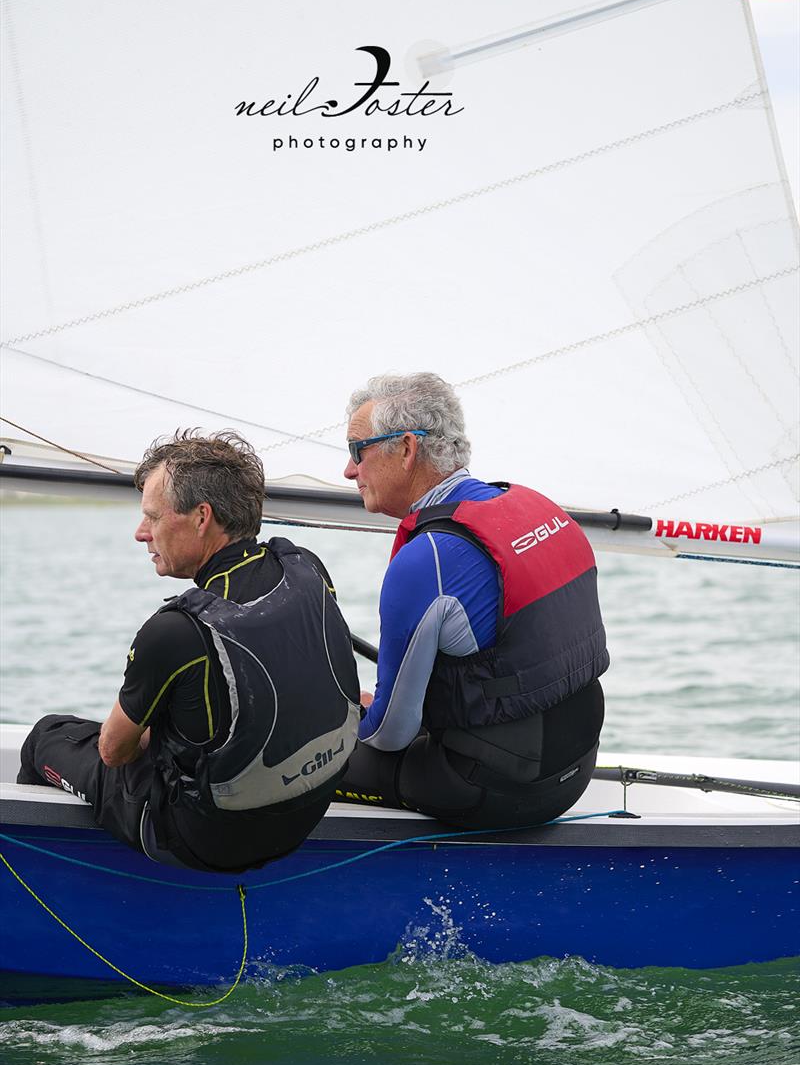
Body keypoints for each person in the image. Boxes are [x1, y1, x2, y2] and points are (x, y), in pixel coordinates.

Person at [18, 430, 361, 872]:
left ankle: (43, 889)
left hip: (209, 840)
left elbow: (114, 752)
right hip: (303, 815)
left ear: (202, 517)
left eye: (153, 517)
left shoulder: (176, 631)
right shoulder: (306, 568)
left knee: (46, 736)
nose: (141, 534)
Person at [337, 373, 608, 829]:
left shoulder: (429, 560)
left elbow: (389, 734)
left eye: (356, 451)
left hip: (500, 789)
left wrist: (354, 720)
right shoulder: (541, 510)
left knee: (309, 760)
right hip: (576, 765)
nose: (349, 471)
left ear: (405, 449)